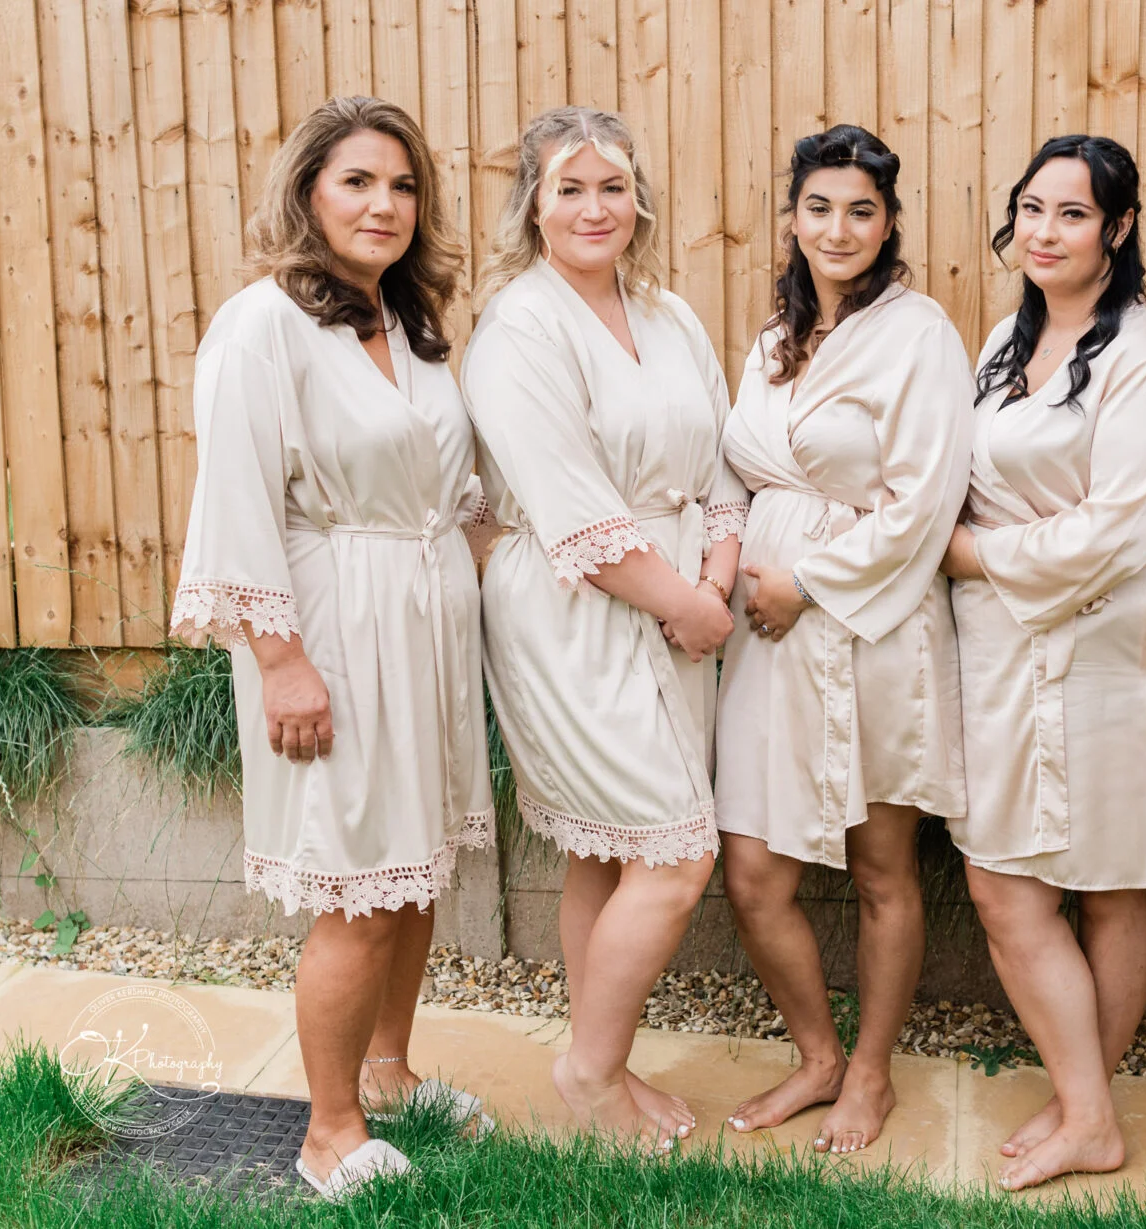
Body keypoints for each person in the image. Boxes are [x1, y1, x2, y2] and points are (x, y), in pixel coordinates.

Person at [170, 96, 495, 1198]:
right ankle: (330, 1130)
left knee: (412, 867)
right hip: (331, 628)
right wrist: (282, 661)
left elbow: (452, 486)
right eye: (357, 180)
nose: (383, 204)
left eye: (402, 185)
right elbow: (237, 501)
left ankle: (389, 1073)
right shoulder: (262, 324)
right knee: (357, 885)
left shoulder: (409, 322)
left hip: (424, 626)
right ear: (308, 190)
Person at [461, 106, 746, 1151]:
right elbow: (570, 506)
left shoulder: (668, 314)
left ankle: (606, 1060)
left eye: (613, 187)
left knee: (609, 846)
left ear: (639, 199)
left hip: (681, 600)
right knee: (673, 851)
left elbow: (724, 463)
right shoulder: (518, 328)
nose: (595, 208)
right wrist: (686, 602)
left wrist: (715, 572)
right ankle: (587, 1076)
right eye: (570, 188)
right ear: (532, 205)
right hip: (575, 609)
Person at [939, 134, 1146, 1190]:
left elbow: (1122, 527)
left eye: (1073, 213)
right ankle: (1083, 1092)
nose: (1044, 232)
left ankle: (1089, 1110)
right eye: (1032, 209)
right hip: (1006, 646)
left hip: (1105, 647)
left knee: (1110, 878)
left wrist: (975, 553)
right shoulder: (1004, 341)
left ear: (1120, 228)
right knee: (1005, 880)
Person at [713, 124, 973, 1156]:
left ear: (889, 223)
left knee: (881, 866)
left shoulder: (919, 335)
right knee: (752, 871)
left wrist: (809, 583)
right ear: (792, 219)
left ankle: (870, 1071)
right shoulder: (771, 342)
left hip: (872, 623)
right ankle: (816, 1053)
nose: (838, 228)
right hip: (765, 635)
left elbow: (925, 501)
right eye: (819, 207)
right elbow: (735, 472)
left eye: (862, 210)